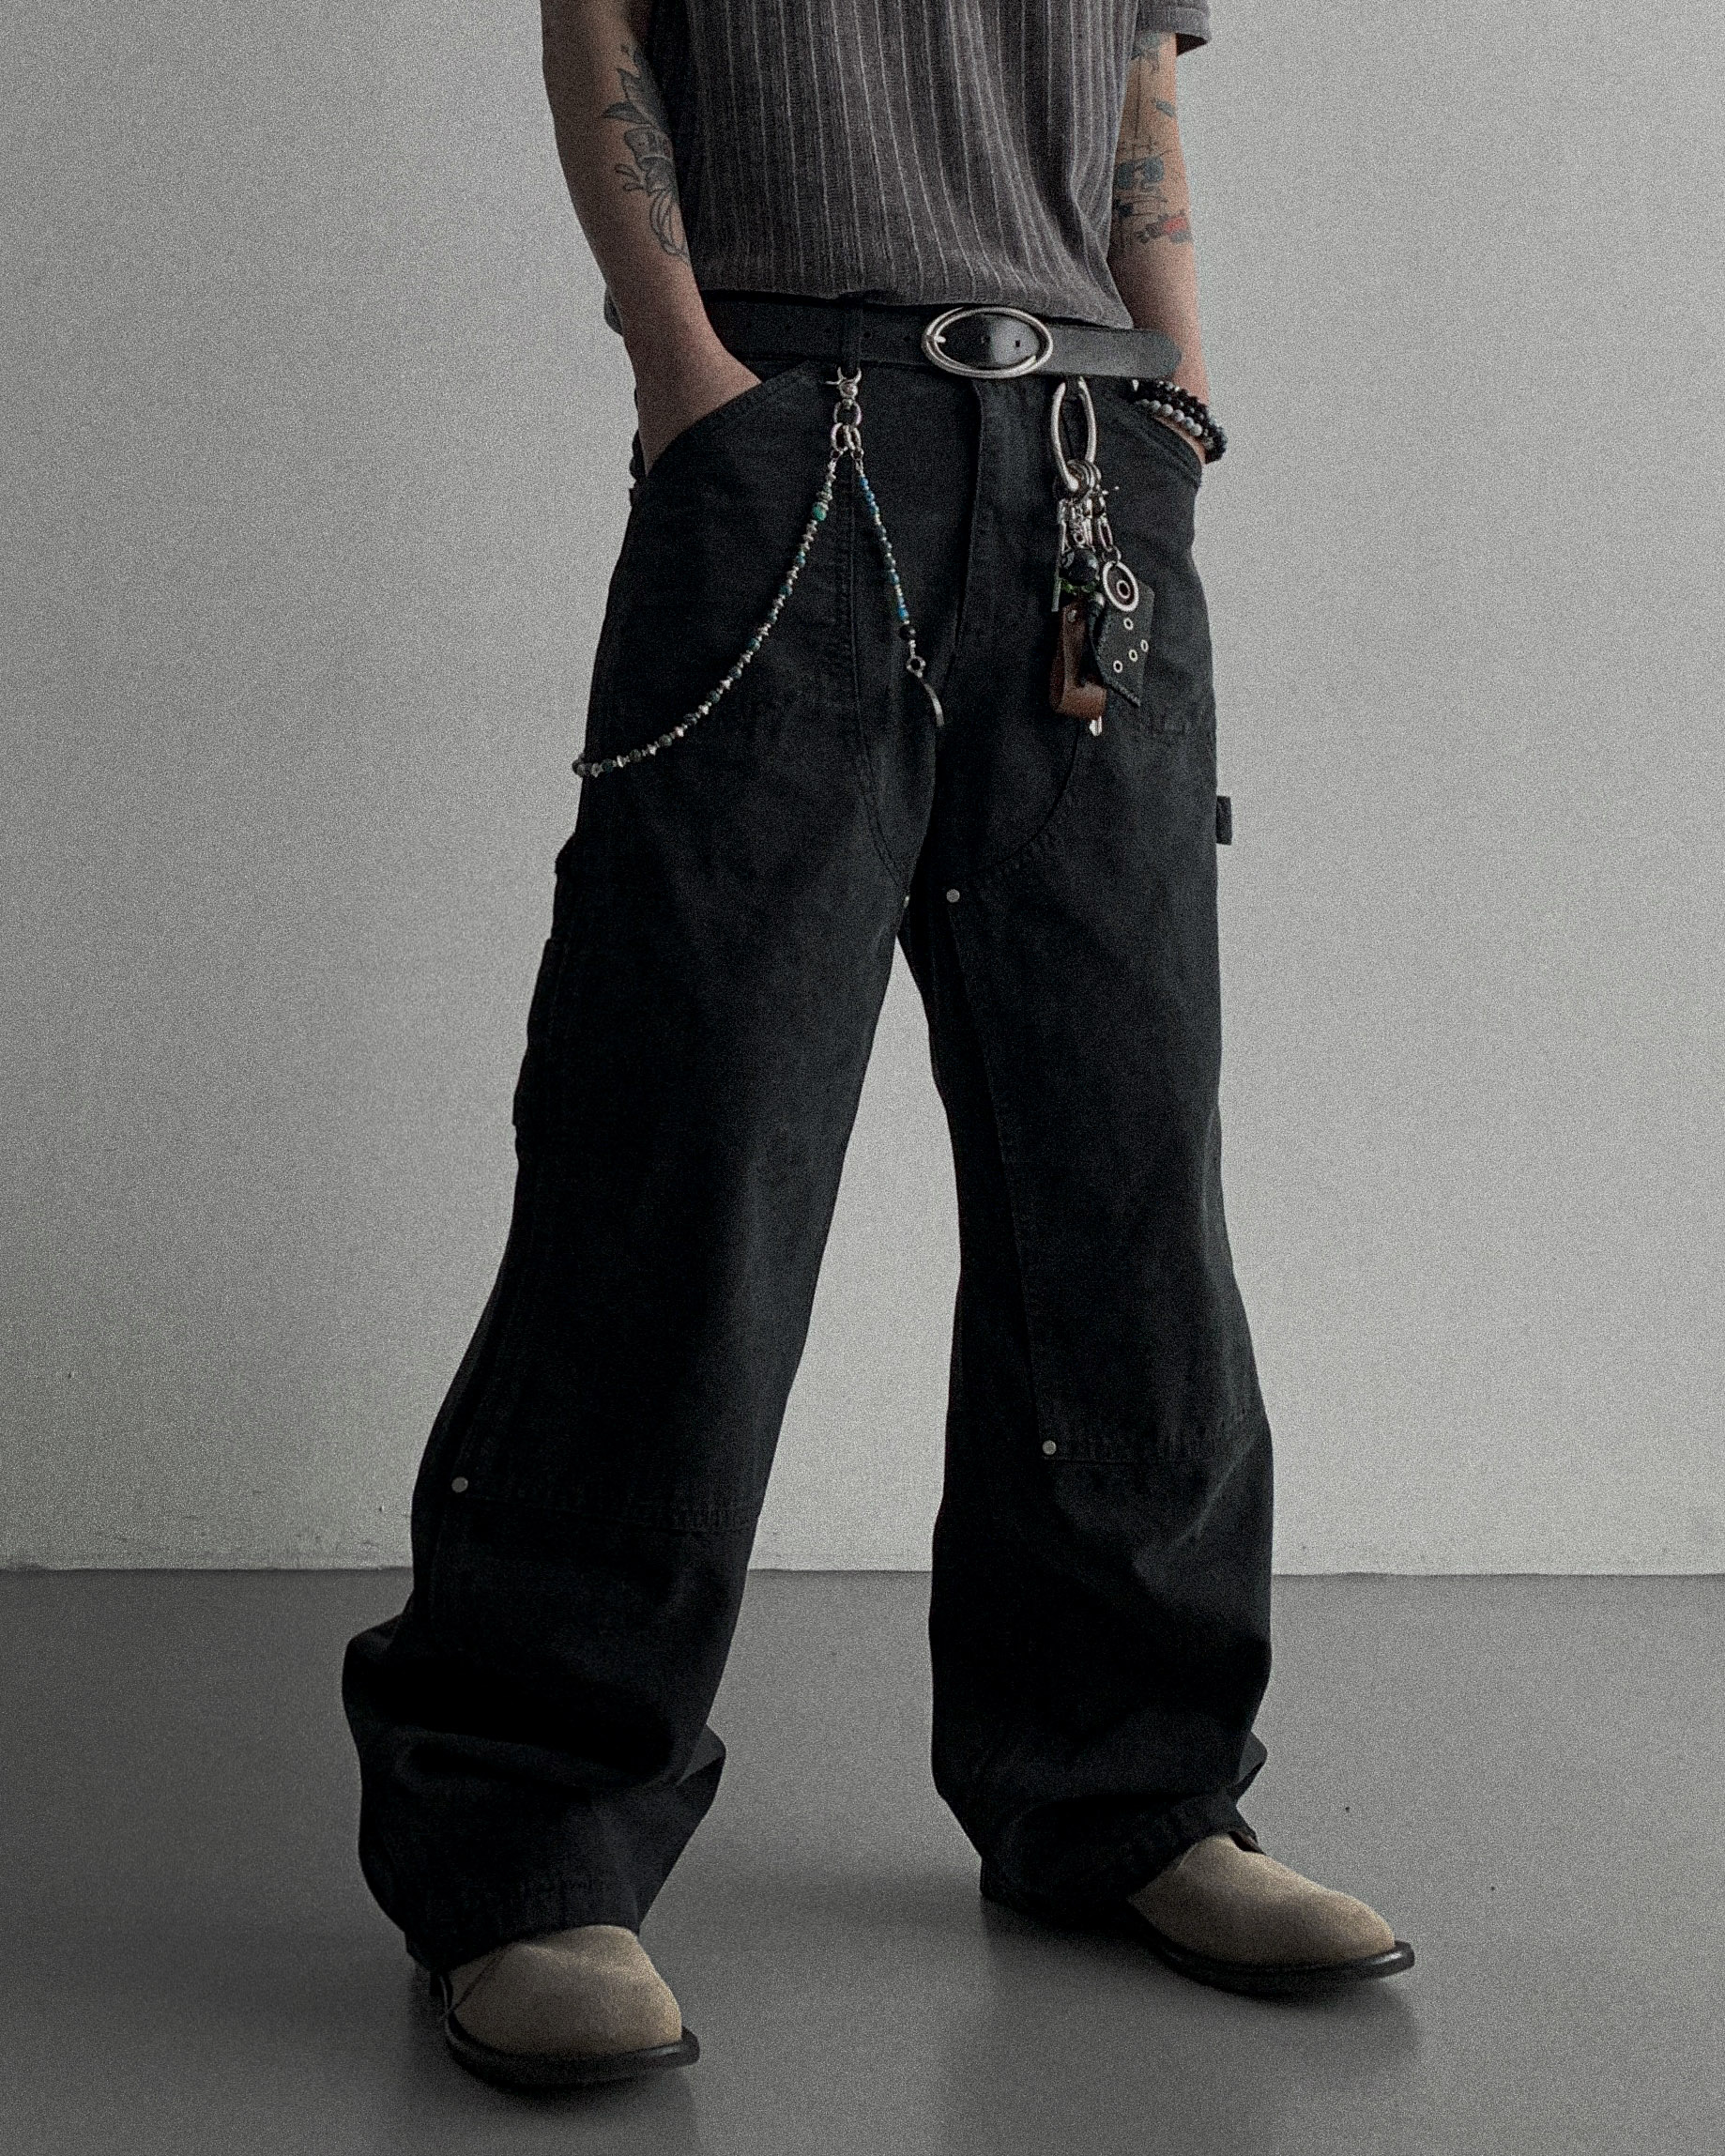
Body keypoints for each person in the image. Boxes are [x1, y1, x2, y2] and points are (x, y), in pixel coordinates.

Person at [343, 0, 1414, 2091]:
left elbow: (1136, 84)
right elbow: (595, 24)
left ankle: (1127, 1791)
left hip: (1091, 466)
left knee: (1118, 1165)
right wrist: (684, 373)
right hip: (792, 431)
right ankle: (529, 1843)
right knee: (688, 1150)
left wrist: (1176, 387)